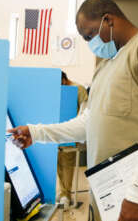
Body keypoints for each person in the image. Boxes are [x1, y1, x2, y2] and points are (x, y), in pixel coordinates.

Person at [9, 0, 138, 221]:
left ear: (108, 20)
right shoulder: (105, 67)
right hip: (111, 198)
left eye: (89, 35)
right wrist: (37, 133)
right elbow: (88, 123)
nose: (89, 43)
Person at [58, 71, 88, 210]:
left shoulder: (78, 89)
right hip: (59, 132)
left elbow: (85, 110)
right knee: (58, 163)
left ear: (64, 79)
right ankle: (63, 191)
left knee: (67, 163)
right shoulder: (59, 89)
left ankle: (67, 194)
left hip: (71, 134)